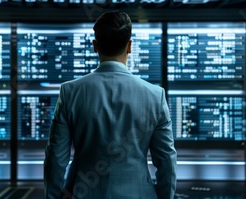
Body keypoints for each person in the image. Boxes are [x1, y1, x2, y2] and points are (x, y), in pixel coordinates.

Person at [44, 10, 177, 199]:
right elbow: (166, 162)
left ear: (95, 46)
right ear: (129, 46)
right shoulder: (155, 95)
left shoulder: (70, 92)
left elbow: (55, 159)